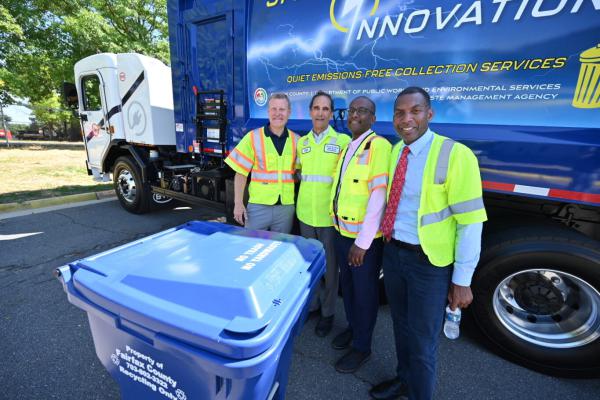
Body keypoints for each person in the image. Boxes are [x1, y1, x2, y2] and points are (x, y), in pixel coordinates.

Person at [370, 87, 487, 400]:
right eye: (399, 112)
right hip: (394, 255)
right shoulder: (397, 151)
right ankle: (403, 380)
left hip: (428, 265)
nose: (406, 119)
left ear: (429, 114)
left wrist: (462, 281)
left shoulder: (455, 155)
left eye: (415, 111)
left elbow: (470, 222)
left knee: (422, 342)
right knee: (400, 327)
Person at [329, 96, 391, 373]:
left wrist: (362, 243)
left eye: (362, 111)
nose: (355, 114)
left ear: (373, 118)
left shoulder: (379, 146)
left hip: (362, 242)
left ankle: (362, 347)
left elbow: (379, 196)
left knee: (365, 295)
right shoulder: (349, 146)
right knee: (350, 290)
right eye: (352, 110)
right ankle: (354, 330)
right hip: (342, 233)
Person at [297, 91, 351, 337]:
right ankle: (314, 305)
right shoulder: (302, 142)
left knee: (330, 268)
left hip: (329, 216)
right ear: (310, 112)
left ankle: (328, 313)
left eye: (325, 108)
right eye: (316, 108)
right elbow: (298, 173)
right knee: (310, 266)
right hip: (305, 214)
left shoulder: (342, 142)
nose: (320, 113)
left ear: (331, 113)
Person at [225, 93, 300, 233]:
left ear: (289, 112)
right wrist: (238, 203)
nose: (278, 113)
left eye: (282, 109)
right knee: (251, 247)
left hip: (285, 209)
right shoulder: (253, 137)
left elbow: (300, 173)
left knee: (279, 249)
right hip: (258, 208)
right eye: (274, 109)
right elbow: (241, 173)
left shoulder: (297, 141)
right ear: (268, 112)